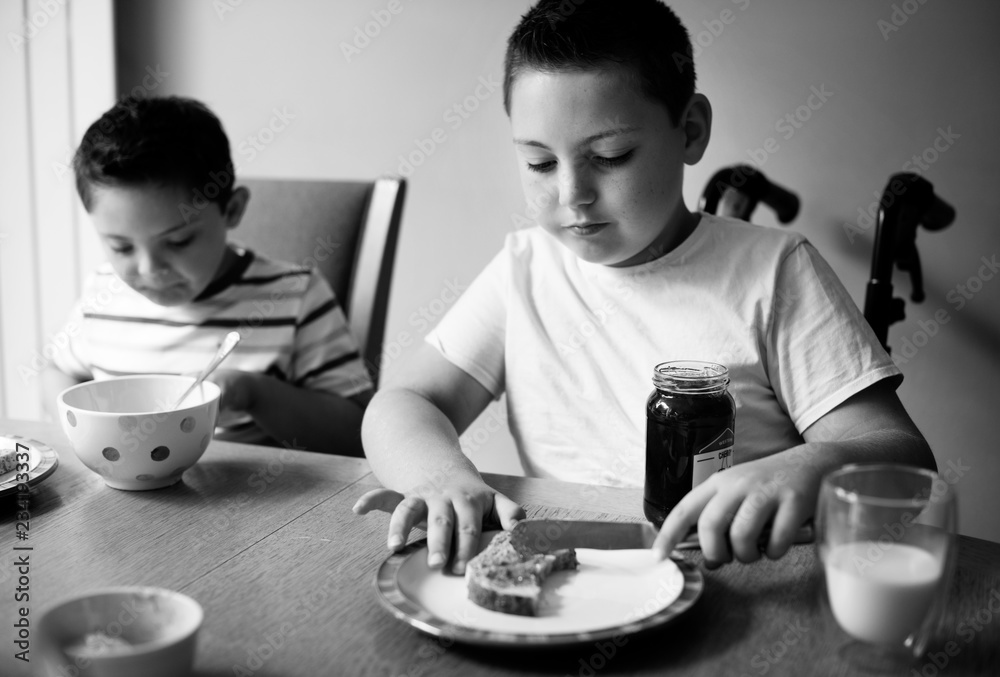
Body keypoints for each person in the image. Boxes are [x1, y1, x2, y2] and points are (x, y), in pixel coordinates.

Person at [354, 0, 935, 573]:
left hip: (737, 577)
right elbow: (404, 402)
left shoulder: (775, 271)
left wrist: (812, 466)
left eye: (611, 156)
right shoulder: (524, 269)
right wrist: (440, 475)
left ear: (691, 131)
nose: (573, 194)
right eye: (540, 164)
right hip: (576, 579)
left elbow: (903, 457)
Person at [42, 96, 373, 455]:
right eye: (121, 247)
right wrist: (81, 427)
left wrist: (254, 395)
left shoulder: (296, 296)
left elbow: (357, 432)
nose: (149, 269)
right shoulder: (102, 292)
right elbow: (55, 372)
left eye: (178, 241)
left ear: (232, 210)